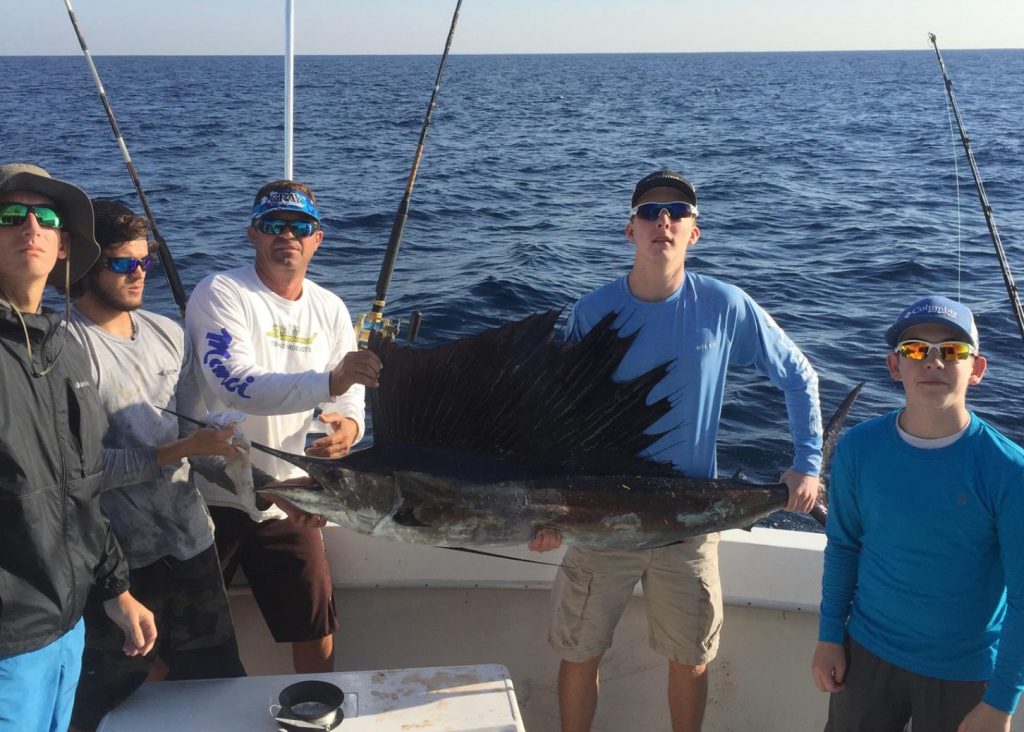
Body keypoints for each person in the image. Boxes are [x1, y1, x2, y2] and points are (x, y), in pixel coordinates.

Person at [529, 169, 823, 732]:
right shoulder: (590, 313)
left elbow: (798, 374)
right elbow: (550, 419)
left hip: (688, 519)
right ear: (629, 231)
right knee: (578, 650)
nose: (662, 219)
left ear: (694, 233)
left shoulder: (724, 305)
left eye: (677, 211)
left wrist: (808, 462)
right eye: (649, 211)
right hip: (597, 517)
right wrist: (546, 511)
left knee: (689, 658)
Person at [64, 200, 247, 731]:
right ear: (83, 266)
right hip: (116, 564)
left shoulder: (168, 331)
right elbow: (80, 471)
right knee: (105, 703)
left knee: (216, 684)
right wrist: (181, 452)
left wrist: (253, 484)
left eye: (146, 260)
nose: (139, 272)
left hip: (191, 544)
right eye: (123, 263)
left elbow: (194, 433)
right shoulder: (64, 348)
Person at [185, 179, 381, 673]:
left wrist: (351, 426)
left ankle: (314, 713)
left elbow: (350, 385)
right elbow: (233, 383)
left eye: (300, 226)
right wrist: (330, 380)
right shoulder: (221, 291)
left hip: (287, 496)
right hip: (211, 496)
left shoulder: (330, 307)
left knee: (316, 628)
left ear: (318, 238)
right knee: (176, 637)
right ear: (253, 234)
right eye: (274, 224)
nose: (286, 235)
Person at [812, 296, 1024, 732]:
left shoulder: (1010, 471)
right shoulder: (857, 449)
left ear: (977, 369)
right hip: (865, 654)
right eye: (914, 350)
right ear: (895, 366)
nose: (932, 361)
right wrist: (830, 634)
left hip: (965, 673)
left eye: (952, 351)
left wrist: (1001, 702)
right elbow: (844, 547)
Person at [0, 164, 156, 732]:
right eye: (11, 215)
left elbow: (81, 489)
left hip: (67, 630)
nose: (31, 227)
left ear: (65, 245)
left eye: (47, 217)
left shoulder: (63, 349)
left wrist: (116, 588)